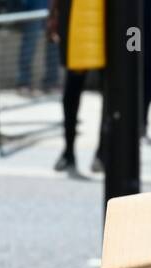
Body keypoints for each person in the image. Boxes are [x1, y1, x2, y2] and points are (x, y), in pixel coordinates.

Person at [46, 0, 104, 173]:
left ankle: (103, 152)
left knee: (110, 94)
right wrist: (53, 14)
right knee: (71, 91)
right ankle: (69, 151)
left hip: (106, 17)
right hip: (74, 17)